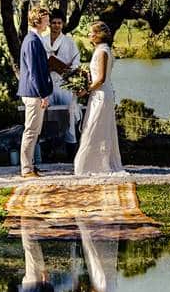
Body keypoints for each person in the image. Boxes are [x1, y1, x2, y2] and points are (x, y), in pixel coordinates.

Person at [73, 21, 125, 176]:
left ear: (97, 35)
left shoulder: (102, 51)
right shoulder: (102, 49)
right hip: (100, 94)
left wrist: (85, 91)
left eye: (91, 32)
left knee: (95, 128)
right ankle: (95, 164)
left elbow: (101, 78)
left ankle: (93, 166)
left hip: (101, 95)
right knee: (97, 128)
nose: (89, 35)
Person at [17, 7, 54, 178]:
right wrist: (43, 94)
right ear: (38, 21)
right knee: (31, 131)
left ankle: (30, 166)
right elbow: (33, 72)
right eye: (46, 19)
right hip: (33, 94)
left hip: (35, 93)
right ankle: (26, 169)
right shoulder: (32, 41)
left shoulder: (35, 39)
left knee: (34, 131)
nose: (48, 21)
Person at [41, 9, 81, 149]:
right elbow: (37, 62)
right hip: (48, 83)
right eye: (53, 23)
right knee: (47, 115)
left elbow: (76, 62)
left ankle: (70, 147)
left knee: (68, 115)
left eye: (59, 23)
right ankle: (49, 147)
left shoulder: (69, 42)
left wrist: (66, 70)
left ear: (63, 24)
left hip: (64, 83)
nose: (56, 25)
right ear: (49, 24)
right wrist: (47, 67)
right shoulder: (42, 41)